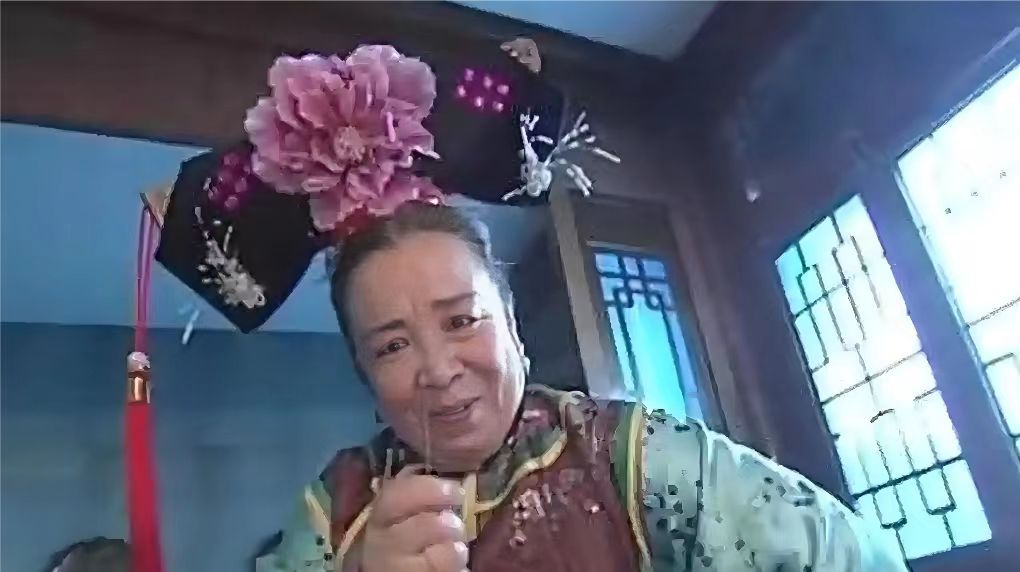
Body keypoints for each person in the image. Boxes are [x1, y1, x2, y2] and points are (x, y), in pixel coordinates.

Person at [252, 202, 908, 572]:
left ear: (513, 329)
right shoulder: (334, 510)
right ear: (366, 377)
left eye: (461, 320)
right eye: (392, 346)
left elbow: (852, 557)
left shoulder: (630, 453)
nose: (439, 369)